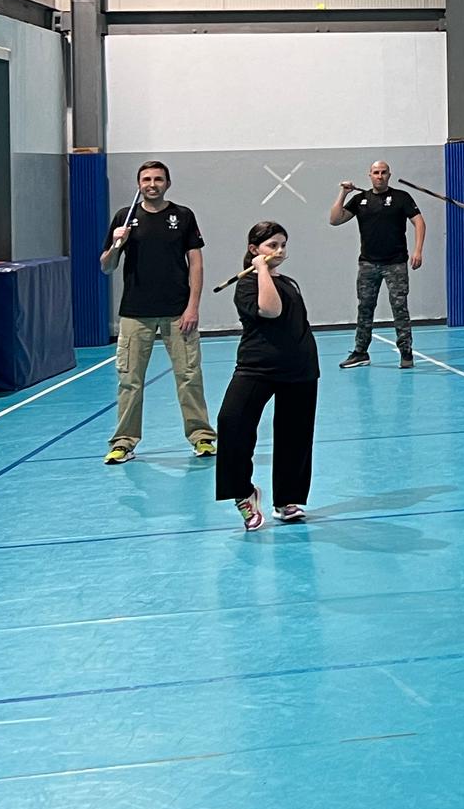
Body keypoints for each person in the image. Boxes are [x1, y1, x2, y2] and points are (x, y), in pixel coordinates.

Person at [99, 160, 214, 463]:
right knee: (130, 380)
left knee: (189, 376)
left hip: (178, 312)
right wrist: (116, 245)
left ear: (167, 183)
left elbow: (196, 264)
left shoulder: (183, 216)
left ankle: (202, 436)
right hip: (135, 313)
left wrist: (193, 307)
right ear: (139, 184)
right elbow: (107, 266)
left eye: (158, 179)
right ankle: (124, 442)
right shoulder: (125, 217)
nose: (152, 184)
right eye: (147, 179)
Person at [215, 222, 319, 531]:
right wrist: (259, 270)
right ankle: (244, 493)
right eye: (272, 245)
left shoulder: (289, 282)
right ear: (253, 250)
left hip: (299, 369)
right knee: (231, 423)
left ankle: (287, 500)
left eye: (283, 245)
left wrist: (265, 270)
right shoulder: (247, 284)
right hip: (256, 367)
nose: (279, 251)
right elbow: (270, 310)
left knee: (295, 435)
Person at [329, 161, 424, 368]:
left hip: (396, 263)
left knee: (400, 308)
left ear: (389, 175)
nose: (379, 176)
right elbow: (335, 219)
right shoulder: (360, 199)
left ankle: (406, 353)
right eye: (375, 173)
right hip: (368, 264)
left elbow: (419, 221)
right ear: (369, 175)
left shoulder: (401, 198)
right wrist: (343, 193)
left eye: (383, 173)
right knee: (365, 308)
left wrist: (417, 250)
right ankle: (361, 352)